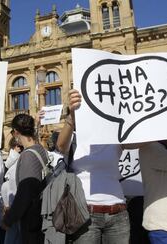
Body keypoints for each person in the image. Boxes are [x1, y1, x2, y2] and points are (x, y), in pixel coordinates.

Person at [56, 89, 130, 244]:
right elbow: (61, 146)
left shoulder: (116, 134)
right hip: (85, 213)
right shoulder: (75, 138)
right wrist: (72, 116)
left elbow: (143, 140)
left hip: (118, 212)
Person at [2, 114, 48, 244]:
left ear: (16, 132)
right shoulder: (40, 149)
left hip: (32, 219)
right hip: (41, 215)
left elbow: (25, 192)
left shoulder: (28, 156)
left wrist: (9, 219)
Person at [1, 137, 22, 244]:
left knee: (13, 235)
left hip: (12, 203)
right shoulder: (15, 160)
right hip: (12, 203)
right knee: (13, 235)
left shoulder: (15, 160)